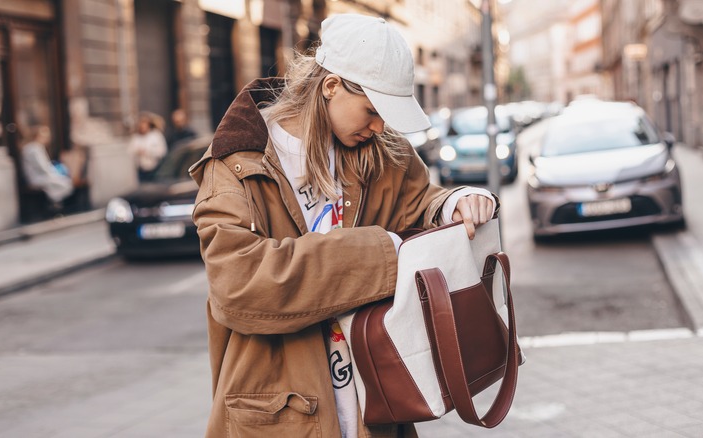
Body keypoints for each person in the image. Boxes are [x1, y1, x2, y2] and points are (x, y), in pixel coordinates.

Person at [190, 14, 497, 438]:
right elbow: (238, 283)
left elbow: (419, 200)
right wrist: (380, 253)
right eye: (373, 110)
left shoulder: (382, 152)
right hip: (280, 412)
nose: (379, 126)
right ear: (331, 86)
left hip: (375, 402)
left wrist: (453, 203)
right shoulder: (235, 165)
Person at [20, 125, 74, 208]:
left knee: (62, 183)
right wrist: (54, 173)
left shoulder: (35, 147)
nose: (47, 139)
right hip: (37, 177)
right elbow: (42, 167)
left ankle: (55, 204)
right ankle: (54, 204)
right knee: (64, 183)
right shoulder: (34, 148)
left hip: (40, 176)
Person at [128, 111, 167, 181]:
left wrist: (148, 151)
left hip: (155, 169)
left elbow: (162, 151)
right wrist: (137, 152)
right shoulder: (136, 138)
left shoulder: (156, 136)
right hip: (141, 170)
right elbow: (130, 151)